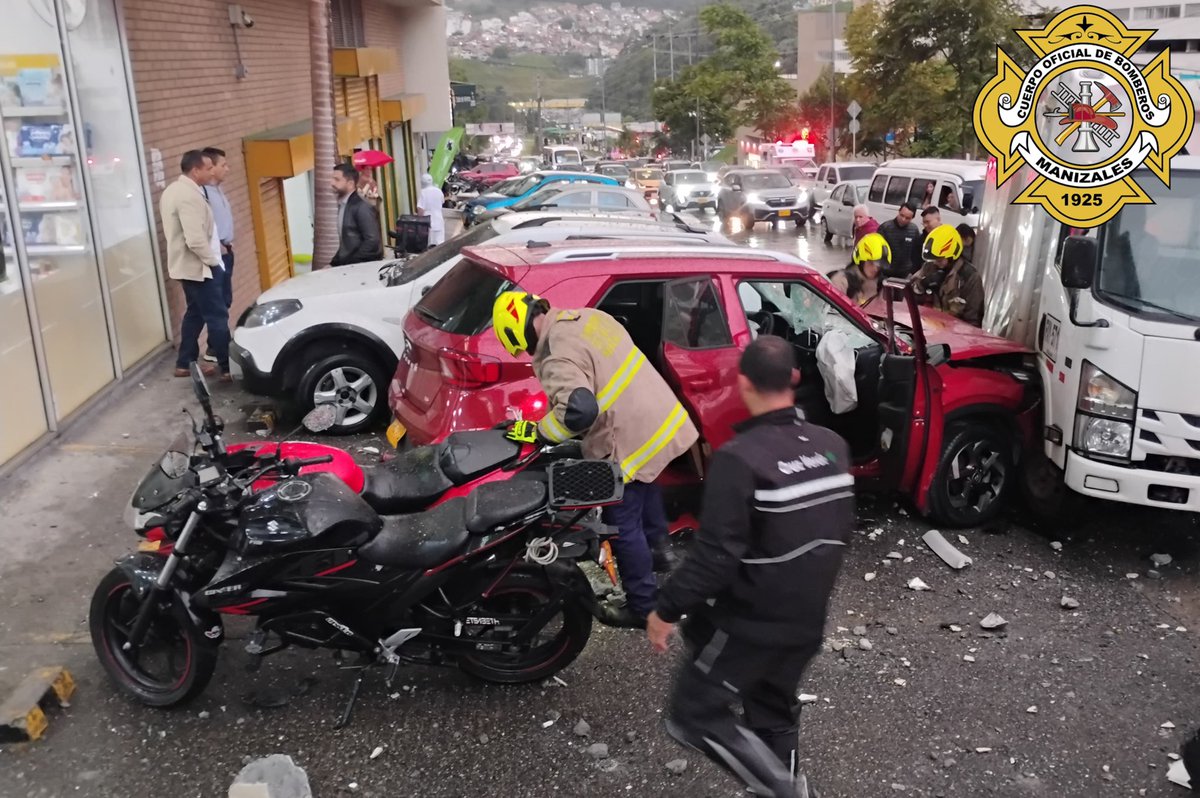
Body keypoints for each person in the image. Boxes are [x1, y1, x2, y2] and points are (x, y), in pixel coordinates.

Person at [647, 335, 852, 798]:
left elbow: (715, 559)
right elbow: (840, 531)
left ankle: (784, 789)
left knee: (692, 716)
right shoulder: (832, 446)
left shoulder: (738, 459)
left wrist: (666, 609)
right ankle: (783, 786)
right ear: (795, 379)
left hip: (749, 626)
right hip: (807, 621)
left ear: (743, 384)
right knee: (773, 709)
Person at [491, 291, 699, 628]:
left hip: (628, 437)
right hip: (660, 420)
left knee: (622, 523)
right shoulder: (585, 317)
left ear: (518, 333)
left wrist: (539, 432)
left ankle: (643, 606)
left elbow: (578, 411)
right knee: (646, 486)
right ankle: (661, 554)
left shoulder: (555, 354)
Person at [160, 149, 229, 380]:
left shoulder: (177, 190)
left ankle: (184, 362)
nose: (212, 172)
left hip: (191, 268)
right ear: (195, 170)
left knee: (195, 314)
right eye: (208, 168)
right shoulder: (187, 196)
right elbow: (195, 239)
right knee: (217, 317)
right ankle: (226, 367)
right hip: (200, 269)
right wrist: (214, 263)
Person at [200, 146, 235, 363]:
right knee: (217, 303)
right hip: (217, 254)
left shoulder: (218, 190)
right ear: (211, 169)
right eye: (223, 165)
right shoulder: (203, 194)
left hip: (227, 251)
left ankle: (215, 346)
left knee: (226, 299)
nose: (227, 169)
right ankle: (217, 350)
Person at [914, 224, 985, 326]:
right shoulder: (928, 268)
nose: (935, 263)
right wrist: (921, 285)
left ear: (953, 256)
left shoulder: (969, 277)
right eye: (933, 259)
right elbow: (909, 299)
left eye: (939, 259)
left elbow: (973, 320)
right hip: (929, 330)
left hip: (955, 335)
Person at [330, 162, 383, 266]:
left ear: (350, 184)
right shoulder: (343, 205)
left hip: (361, 268)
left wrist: (351, 262)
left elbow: (372, 241)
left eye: (337, 179)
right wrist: (334, 263)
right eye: (331, 179)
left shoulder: (361, 207)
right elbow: (346, 243)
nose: (331, 183)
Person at [833, 232, 889, 307]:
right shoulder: (841, 281)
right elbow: (832, 312)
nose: (875, 269)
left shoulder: (880, 284)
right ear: (861, 261)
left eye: (879, 266)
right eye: (871, 263)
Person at [877, 201, 920, 278]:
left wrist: (912, 271)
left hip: (905, 273)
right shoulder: (885, 228)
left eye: (907, 218)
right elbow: (877, 251)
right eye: (902, 215)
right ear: (899, 212)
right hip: (886, 272)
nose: (903, 219)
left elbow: (916, 253)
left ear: (912, 218)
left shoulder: (914, 230)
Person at [417, 173, 446, 247]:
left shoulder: (423, 192)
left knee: (429, 246)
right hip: (439, 221)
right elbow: (442, 202)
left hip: (428, 223)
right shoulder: (438, 191)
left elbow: (420, 209)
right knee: (440, 245)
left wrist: (418, 221)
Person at [914, 205, 941, 270]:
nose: (925, 225)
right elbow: (915, 263)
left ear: (938, 219)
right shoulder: (920, 240)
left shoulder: (947, 237)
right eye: (924, 222)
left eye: (928, 222)